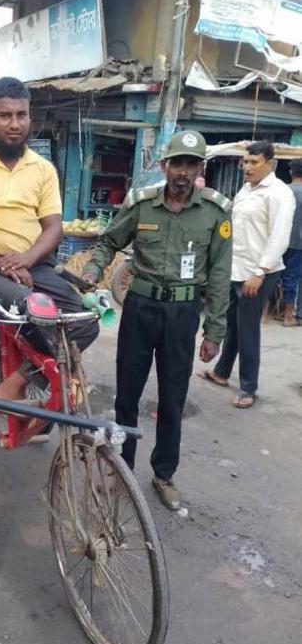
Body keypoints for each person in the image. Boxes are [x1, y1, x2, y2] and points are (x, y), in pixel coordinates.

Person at [84, 131, 232, 510]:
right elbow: (108, 241)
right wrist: (93, 269)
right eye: (176, 163)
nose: (182, 172)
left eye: (190, 164)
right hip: (140, 310)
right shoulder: (141, 204)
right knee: (127, 395)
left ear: (201, 169)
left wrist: (213, 331)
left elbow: (219, 275)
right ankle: (123, 468)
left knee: (172, 399)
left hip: (183, 316)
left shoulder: (215, 213)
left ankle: (164, 474)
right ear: (165, 166)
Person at [0, 76, 98, 401]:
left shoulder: (42, 168)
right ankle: (56, 374)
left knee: (85, 320)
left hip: (33, 264)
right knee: (35, 309)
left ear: (30, 116)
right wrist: (0, 263)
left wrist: (25, 259)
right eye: (5, 116)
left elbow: (54, 227)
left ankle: (18, 381)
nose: (15, 124)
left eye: (21, 115)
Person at [201, 141, 295, 408]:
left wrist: (260, 271)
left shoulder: (278, 193)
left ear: (270, 164)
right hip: (236, 268)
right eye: (245, 161)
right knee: (233, 322)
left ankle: (249, 388)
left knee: (248, 329)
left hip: (259, 272)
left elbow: (279, 237)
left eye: (254, 162)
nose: (247, 167)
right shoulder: (246, 189)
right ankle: (221, 372)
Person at [281, 159, 302, 327]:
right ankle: (289, 316)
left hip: (281, 240)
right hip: (298, 242)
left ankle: (264, 314)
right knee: (293, 277)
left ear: (290, 172)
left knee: (275, 275)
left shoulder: (283, 191)